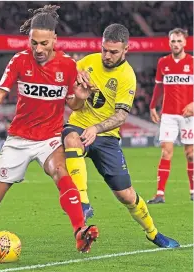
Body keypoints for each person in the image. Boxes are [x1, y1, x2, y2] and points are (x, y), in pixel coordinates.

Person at [0, 5, 99, 254]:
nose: (39, 49)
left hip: (50, 138)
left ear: (55, 40)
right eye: (34, 43)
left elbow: (73, 103)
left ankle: (79, 231)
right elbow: (1, 92)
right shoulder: (20, 60)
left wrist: (82, 96)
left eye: (44, 43)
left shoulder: (68, 66)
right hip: (19, 139)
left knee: (61, 172)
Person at [62, 23, 179, 248]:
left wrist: (96, 129)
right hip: (78, 126)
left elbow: (121, 116)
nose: (107, 55)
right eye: (105, 49)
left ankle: (153, 233)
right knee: (71, 139)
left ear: (127, 49)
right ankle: (84, 204)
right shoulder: (86, 63)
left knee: (126, 195)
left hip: (106, 137)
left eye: (114, 51)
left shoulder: (127, 77)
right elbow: (73, 105)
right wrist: (77, 93)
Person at [147, 28, 193, 204]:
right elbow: (158, 87)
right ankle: (160, 194)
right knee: (166, 152)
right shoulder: (163, 62)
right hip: (168, 115)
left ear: (185, 43)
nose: (176, 44)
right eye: (173, 41)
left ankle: (193, 190)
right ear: (169, 42)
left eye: (179, 41)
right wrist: (152, 107)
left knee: (190, 154)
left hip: (188, 116)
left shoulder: (192, 62)